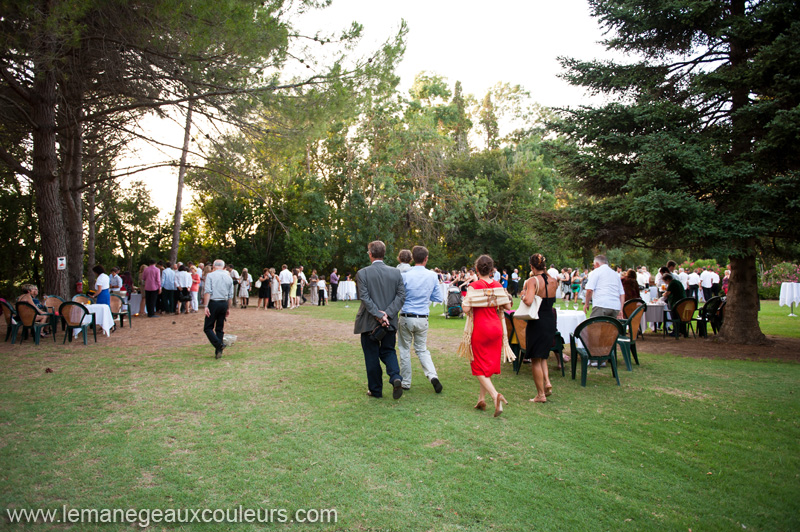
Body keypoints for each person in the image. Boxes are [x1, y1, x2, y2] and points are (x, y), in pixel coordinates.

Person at [354, 240, 406, 399]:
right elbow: (401, 296)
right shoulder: (395, 273)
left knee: (371, 355)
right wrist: (387, 314)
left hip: (369, 321)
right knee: (389, 350)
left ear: (370, 254)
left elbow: (364, 297)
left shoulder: (362, 273)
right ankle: (396, 377)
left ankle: (375, 390)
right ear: (384, 253)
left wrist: (379, 314)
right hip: (388, 322)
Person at [462, 255, 513, 417]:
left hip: (481, 329)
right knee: (487, 365)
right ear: (491, 270)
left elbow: (466, 310)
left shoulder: (473, 286)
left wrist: (465, 303)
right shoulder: (498, 286)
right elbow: (508, 305)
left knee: (477, 366)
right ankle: (481, 399)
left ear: (477, 269)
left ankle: (494, 395)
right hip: (496, 329)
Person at [397, 245, 444, 393]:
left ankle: (406, 381)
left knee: (404, 349)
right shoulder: (432, 276)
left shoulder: (405, 275)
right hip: (422, 317)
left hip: (406, 316)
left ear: (412, 258)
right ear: (426, 259)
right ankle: (432, 376)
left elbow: (399, 296)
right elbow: (438, 297)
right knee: (422, 349)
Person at [521, 253, 558, 404]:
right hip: (550, 319)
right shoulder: (554, 280)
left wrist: (523, 295)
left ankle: (540, 394)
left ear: (531, 266)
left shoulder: (532, 280)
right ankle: (547, 382)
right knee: (543, 355)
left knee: (535, 358)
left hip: (537, 320)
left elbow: (529, 301)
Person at [203, 259, 234, 359]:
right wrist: (228, 308)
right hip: (224, 303)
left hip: (214, 302)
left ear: (213, 266)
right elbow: (230, 295)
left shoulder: (210, 276)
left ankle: (218, 344)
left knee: (208, 327)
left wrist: (206, 306)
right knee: (219, 328)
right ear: (224, 267)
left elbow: (208, 291)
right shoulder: (228, 277)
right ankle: (218, 351)